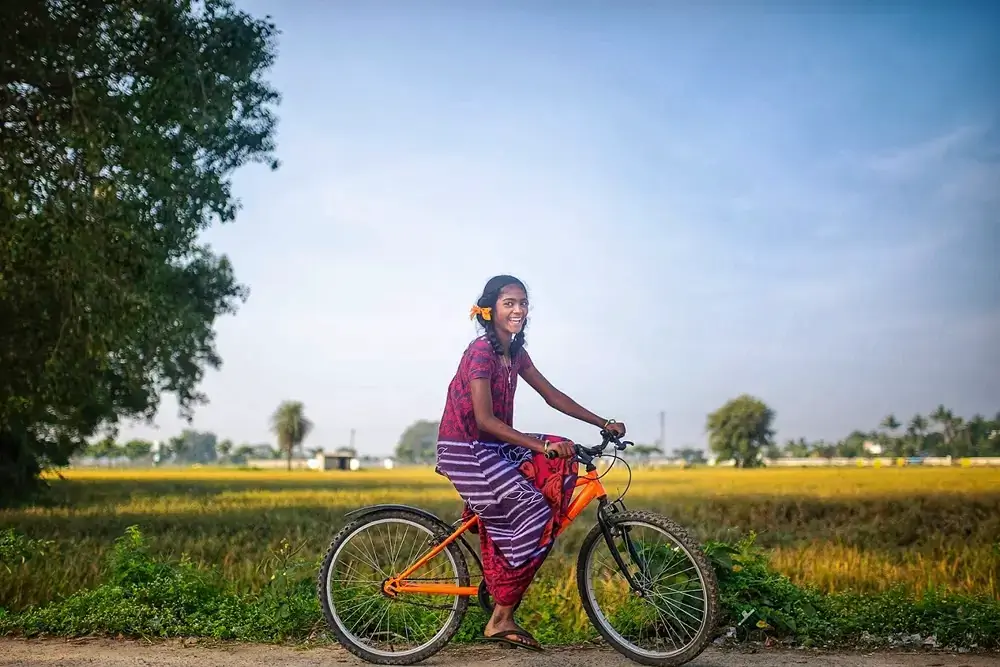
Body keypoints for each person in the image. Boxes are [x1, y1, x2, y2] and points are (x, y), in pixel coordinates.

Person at [435, 274, 626, 651]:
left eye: (522, 303)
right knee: (534, 512)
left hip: (492, 446)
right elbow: (486, 420)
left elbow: (552, 395)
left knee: (560, 449)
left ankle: (497, 549)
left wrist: (602, 422)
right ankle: (500, 618)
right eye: (509, 303)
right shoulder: (481, 353)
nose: (518, 309)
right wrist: (538, 448)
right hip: (465, 448)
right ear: (490, 310)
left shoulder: (515, 353)